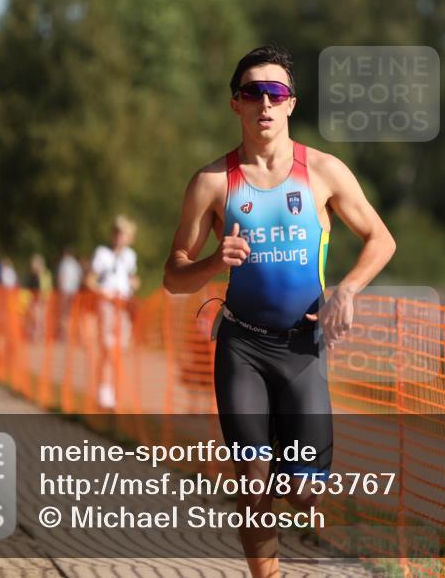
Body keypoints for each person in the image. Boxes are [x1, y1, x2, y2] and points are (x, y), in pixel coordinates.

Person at [162, 45, 396, 578]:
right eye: (252, 93)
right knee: (251, 475)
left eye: (276, 93)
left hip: (302, 347)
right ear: (235, 105)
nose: (264, 104)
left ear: (290, 104)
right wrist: (211, 265)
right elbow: (172, 275)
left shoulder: (324, 172)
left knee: (303, 493)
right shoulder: (212, 183)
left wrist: (347, 291)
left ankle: (297, 488)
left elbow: (382, 240)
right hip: (241, 345)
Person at [89, 215, 140, 410]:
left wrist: (134, 284)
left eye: (123, 234)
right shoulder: (102, 254)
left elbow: (132, 278)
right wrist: (105, 293)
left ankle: (113, 389)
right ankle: (105, 390)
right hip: (107, 306)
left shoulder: (130, 256)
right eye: (117, 232)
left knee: (120, 348)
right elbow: (90, 280)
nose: (119, 237)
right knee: (108, 347)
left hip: (123, 306)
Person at [56, 248, 83, 339]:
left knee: (65, 313)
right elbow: (80, 276)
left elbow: (61, 277)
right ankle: (74, 334)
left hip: (66, 291)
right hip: (74, 291)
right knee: (73, 313)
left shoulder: (64, 263)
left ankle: (65, 335)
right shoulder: (75, 264)